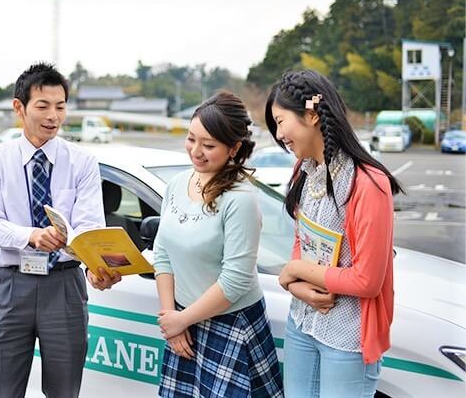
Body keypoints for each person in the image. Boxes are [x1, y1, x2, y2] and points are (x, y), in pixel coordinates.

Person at [0, 62, 121, 398]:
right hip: (13, 287)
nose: (53, 116)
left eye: (60, 106)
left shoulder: (82, 162)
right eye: (43, 106)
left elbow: (88, 227)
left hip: (65, 287)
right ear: (19, 108)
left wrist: (96, 268)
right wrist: (31, 236)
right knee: (0, 389)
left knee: (64, 391)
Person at [265, 69, 402, 398]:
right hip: (302, 323)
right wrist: (297, 287)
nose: (279, 135)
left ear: (311, 115)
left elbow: (367, 280)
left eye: (281, 121)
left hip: (348, 336)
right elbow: (303, 242)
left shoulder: (368, 183)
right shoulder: (304, 171)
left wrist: (295, 271)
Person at [154, 91, 283, 398]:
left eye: (209, 145)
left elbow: (235, 280)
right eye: (191, 139)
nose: (196, 151)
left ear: (233, 148)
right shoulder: (176, 184)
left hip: (230, 325)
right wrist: (171, 317)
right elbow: (162, 253)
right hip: (182, 321)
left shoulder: (240, 199)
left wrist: (180, 320)